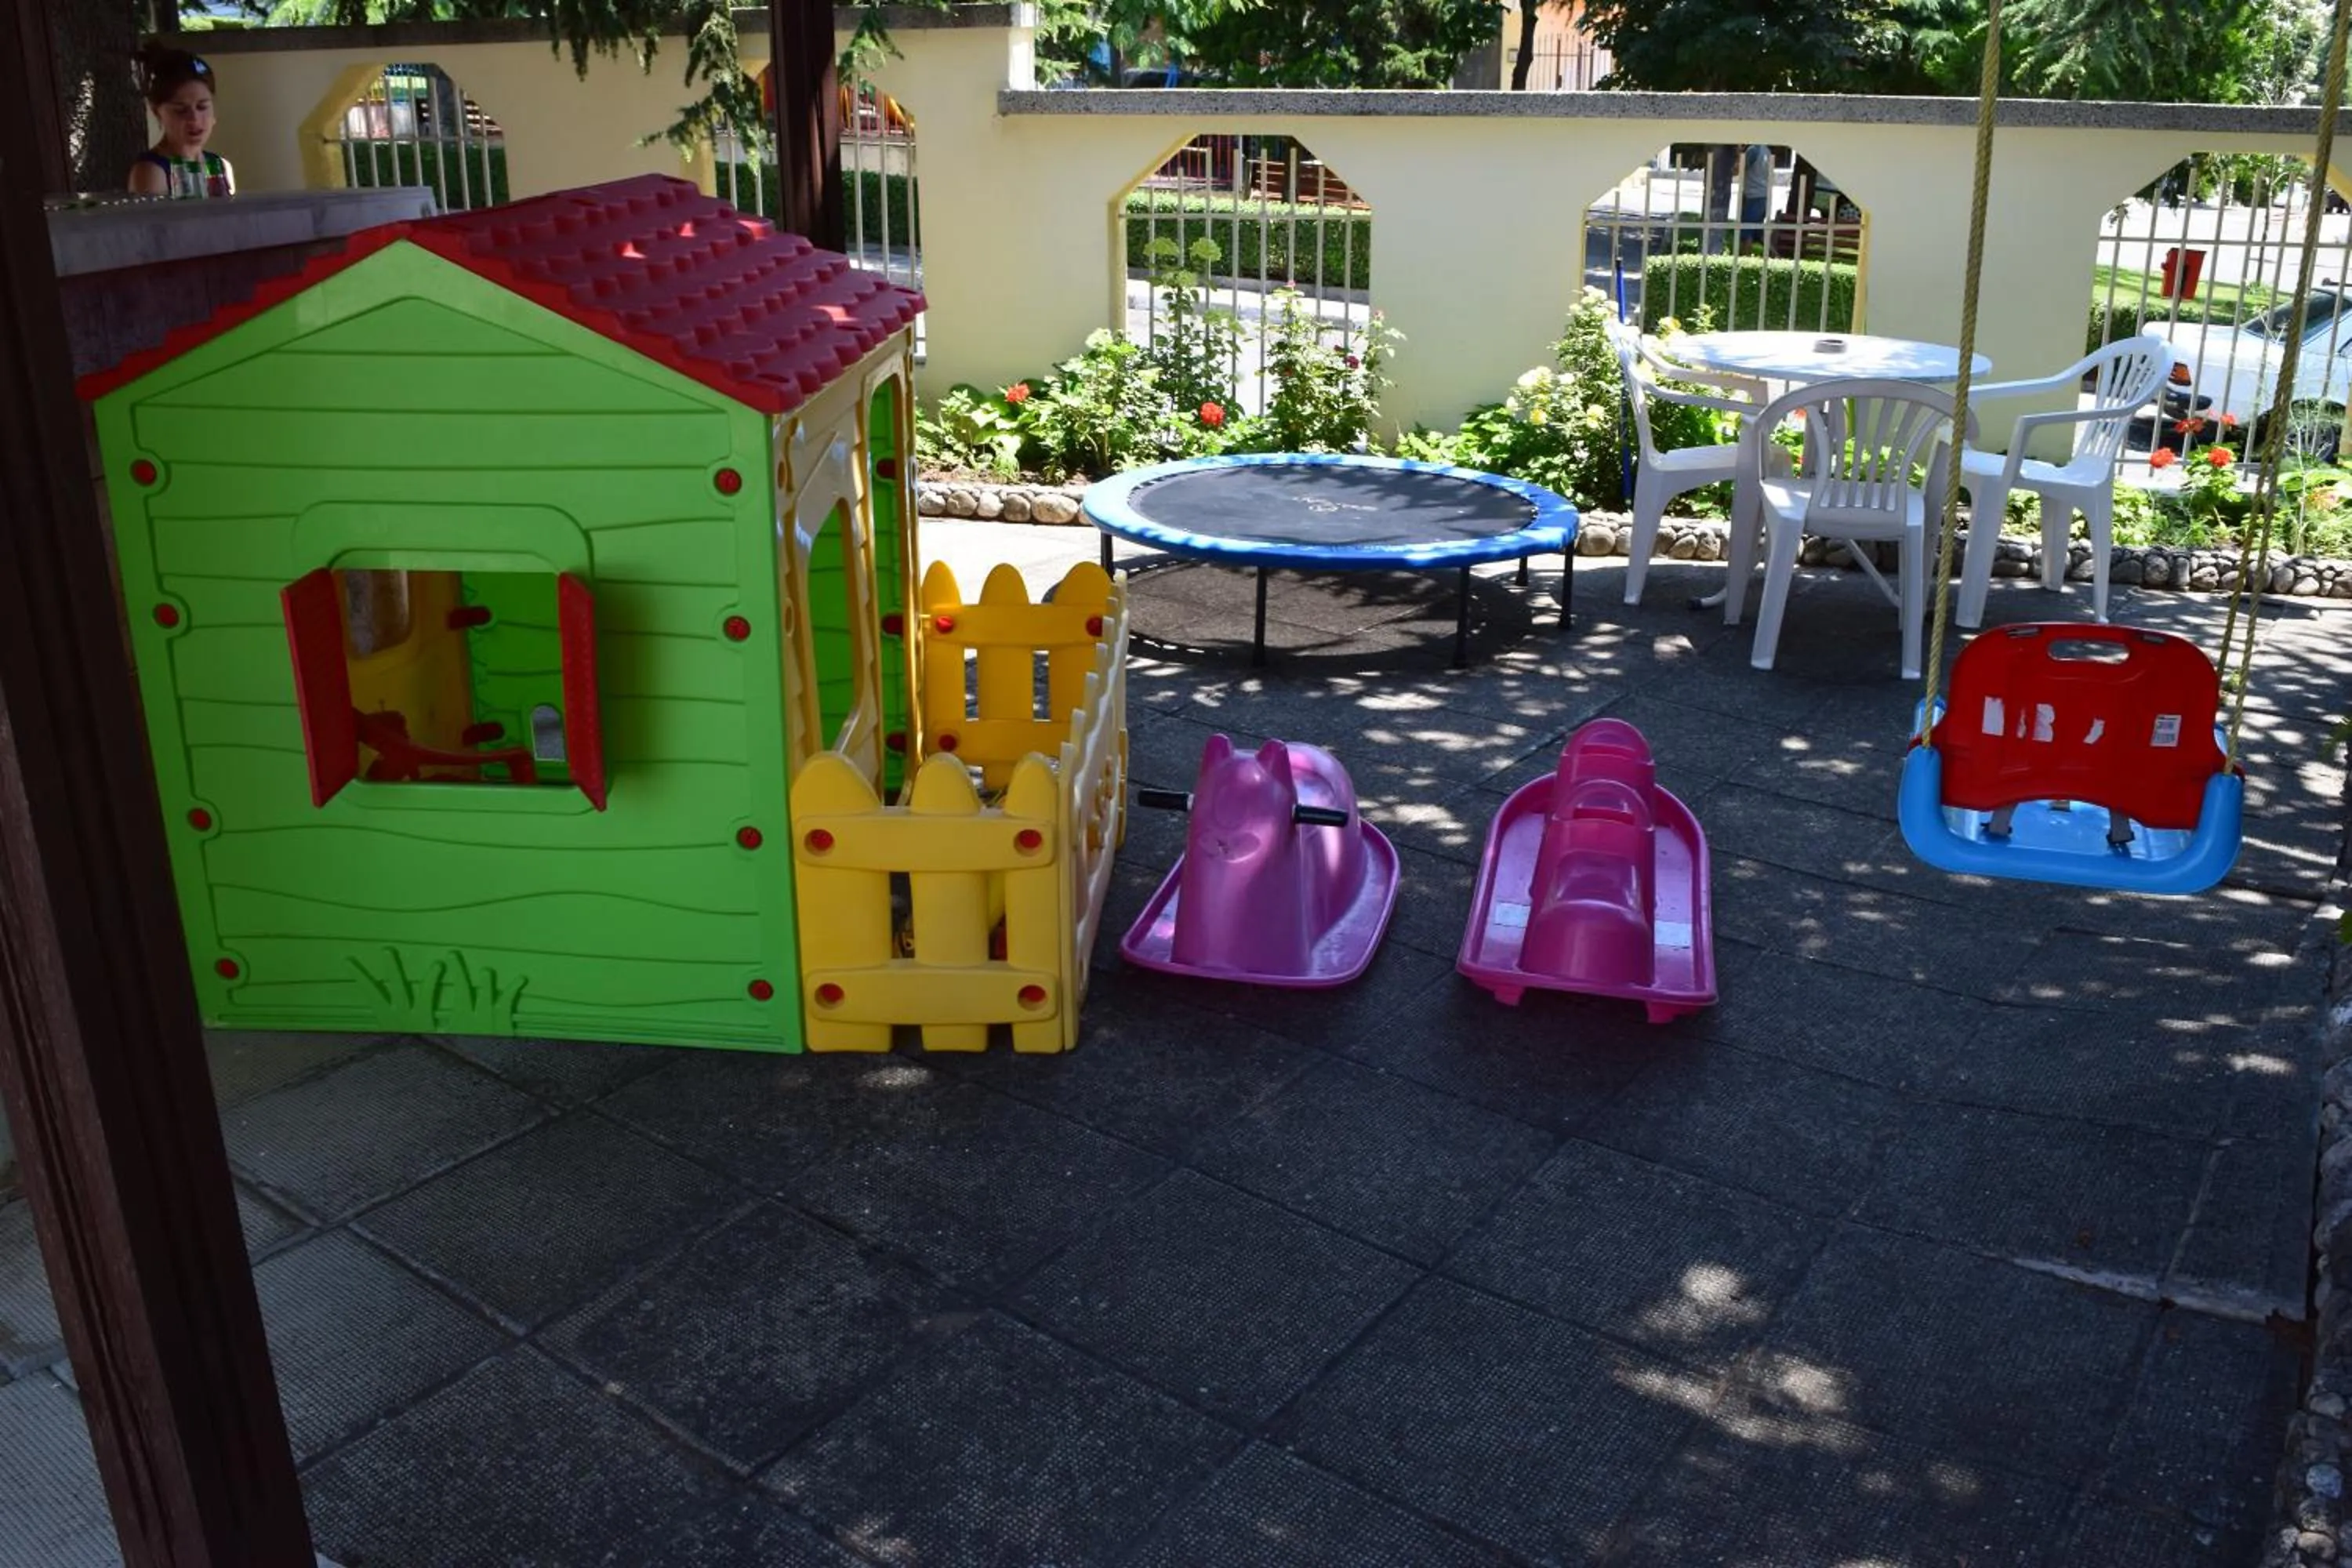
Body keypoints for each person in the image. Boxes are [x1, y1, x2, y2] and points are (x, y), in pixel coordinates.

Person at [129, 46, 233, 200]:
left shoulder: (220, 165)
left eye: (202, 107)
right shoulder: (151, 171)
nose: (194, 119)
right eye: (180, 110)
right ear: (157, 111)